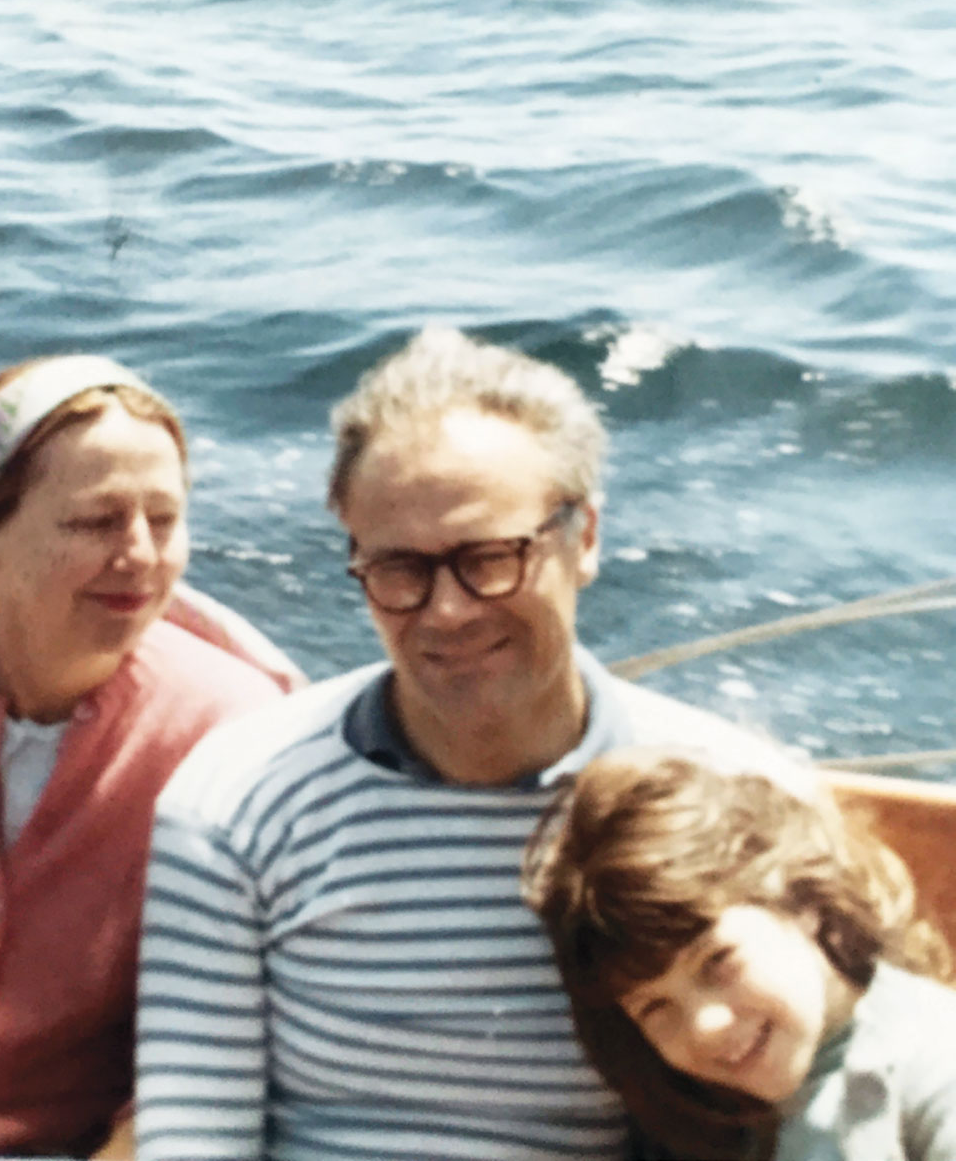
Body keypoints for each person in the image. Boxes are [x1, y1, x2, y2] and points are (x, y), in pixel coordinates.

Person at [136, 326, 806, 1161]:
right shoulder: (236, 796)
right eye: (400, 570)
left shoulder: (728, 799)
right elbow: (192, 1136)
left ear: (584, 537)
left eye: (490, 558)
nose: (446, 611)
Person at [0, 354, 303, 1159]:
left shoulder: (234, 729)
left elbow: (220, 1042)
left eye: (165, 518)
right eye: (95, 521)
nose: (142, 555)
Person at [524, 750, 956, 1161]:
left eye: (717, 961)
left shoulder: (932, 1070)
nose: (705, 1026)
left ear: (801, 898)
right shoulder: (705, 1112)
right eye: (655, 1007)